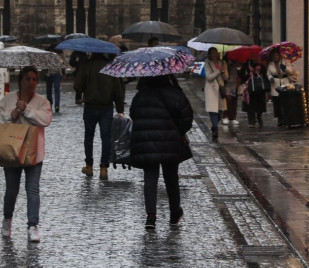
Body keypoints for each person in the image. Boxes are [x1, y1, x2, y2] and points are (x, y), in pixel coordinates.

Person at [0, 66, 54, 242]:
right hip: (11, 151)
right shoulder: (8, 99)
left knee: (32, 189)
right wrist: (11, 115)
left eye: (34, 79)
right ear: (21, 80)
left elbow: (46, 119)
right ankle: (7, 218)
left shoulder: (42, 101)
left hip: (34, 152)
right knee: (12, 190)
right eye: (28, 79)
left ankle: (32, 225)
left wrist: (26, 109)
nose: (31, 83)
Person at [129, 73, 194, 229]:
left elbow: (133, 114)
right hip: (170, 142)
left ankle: (151, 216)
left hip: (147, 143)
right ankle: (174, 212)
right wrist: (179, 131)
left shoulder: (141, 95)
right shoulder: (175, 94)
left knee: (150, 178)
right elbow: (187, 117)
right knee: (171, 177)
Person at [74, 51, 126, 180]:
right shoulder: (110, 67)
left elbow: (77, 86)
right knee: (106, 138)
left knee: (89, 137)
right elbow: (118, 91)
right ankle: (103, 168)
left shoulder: (86, 66)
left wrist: (86, 88)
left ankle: (89, 166)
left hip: (90, 106)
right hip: (106, 107)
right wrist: (120, 109)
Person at [203, 47, 227, 142]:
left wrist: (224, 71)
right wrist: (218, 71)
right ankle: (215, 130)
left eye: (215, 52)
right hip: (210, 89)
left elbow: (226, 77)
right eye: (212, 53)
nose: (214, 54)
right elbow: (209, 77)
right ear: (209, 54)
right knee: (213, 110)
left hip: (220, 89)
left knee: (220, 111)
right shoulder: (207, 63)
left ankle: (214, 125)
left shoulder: (222, 63)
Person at [266, 50, 294, 124]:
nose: (275, 57)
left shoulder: (285, 61)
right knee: (277, 102)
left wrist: (285, 68)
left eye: (276, 55)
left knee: (285, 101)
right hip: (275, 84)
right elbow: (268, 74)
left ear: (279, 55)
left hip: (285, 82)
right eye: (274, 55)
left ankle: (286, 117)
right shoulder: (271, 64)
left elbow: (291, 71)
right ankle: (279, 118)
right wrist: (270, 78)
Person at [242, 58, 269, 128]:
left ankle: (259, 118)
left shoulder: (262, 66)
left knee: (260, 104)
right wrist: (249, 74)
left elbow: (265, 75)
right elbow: (242, 75)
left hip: (260, 88)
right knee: (251, 105)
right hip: (250, 88)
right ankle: (251, 121)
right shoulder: (247, 64)